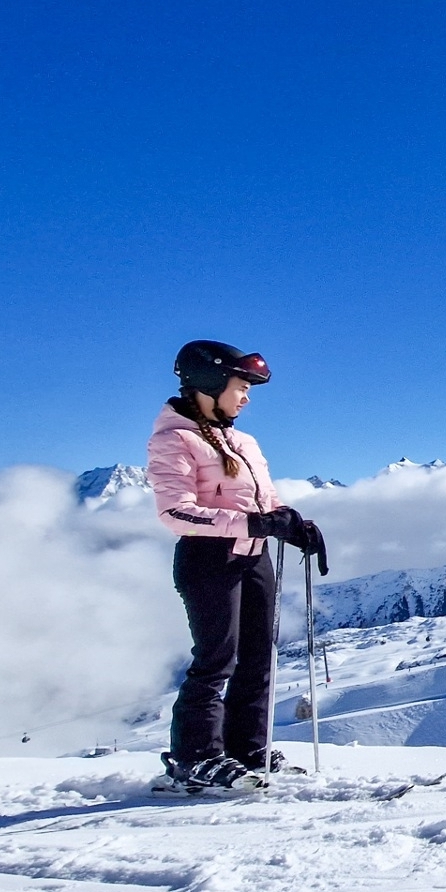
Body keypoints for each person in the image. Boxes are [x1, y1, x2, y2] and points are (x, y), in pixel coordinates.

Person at [147, 339, 325, 791]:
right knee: (215, 659)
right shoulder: (175, 439)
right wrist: (254, 522)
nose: (246, 397)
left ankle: (247, 747)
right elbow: (175, 512)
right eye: (239, 386)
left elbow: (263, 500)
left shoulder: (242, 440)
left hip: (253, 557)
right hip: (209, 559)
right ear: (209, 383)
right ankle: (195, 757)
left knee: (257, 658)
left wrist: (292, 522)